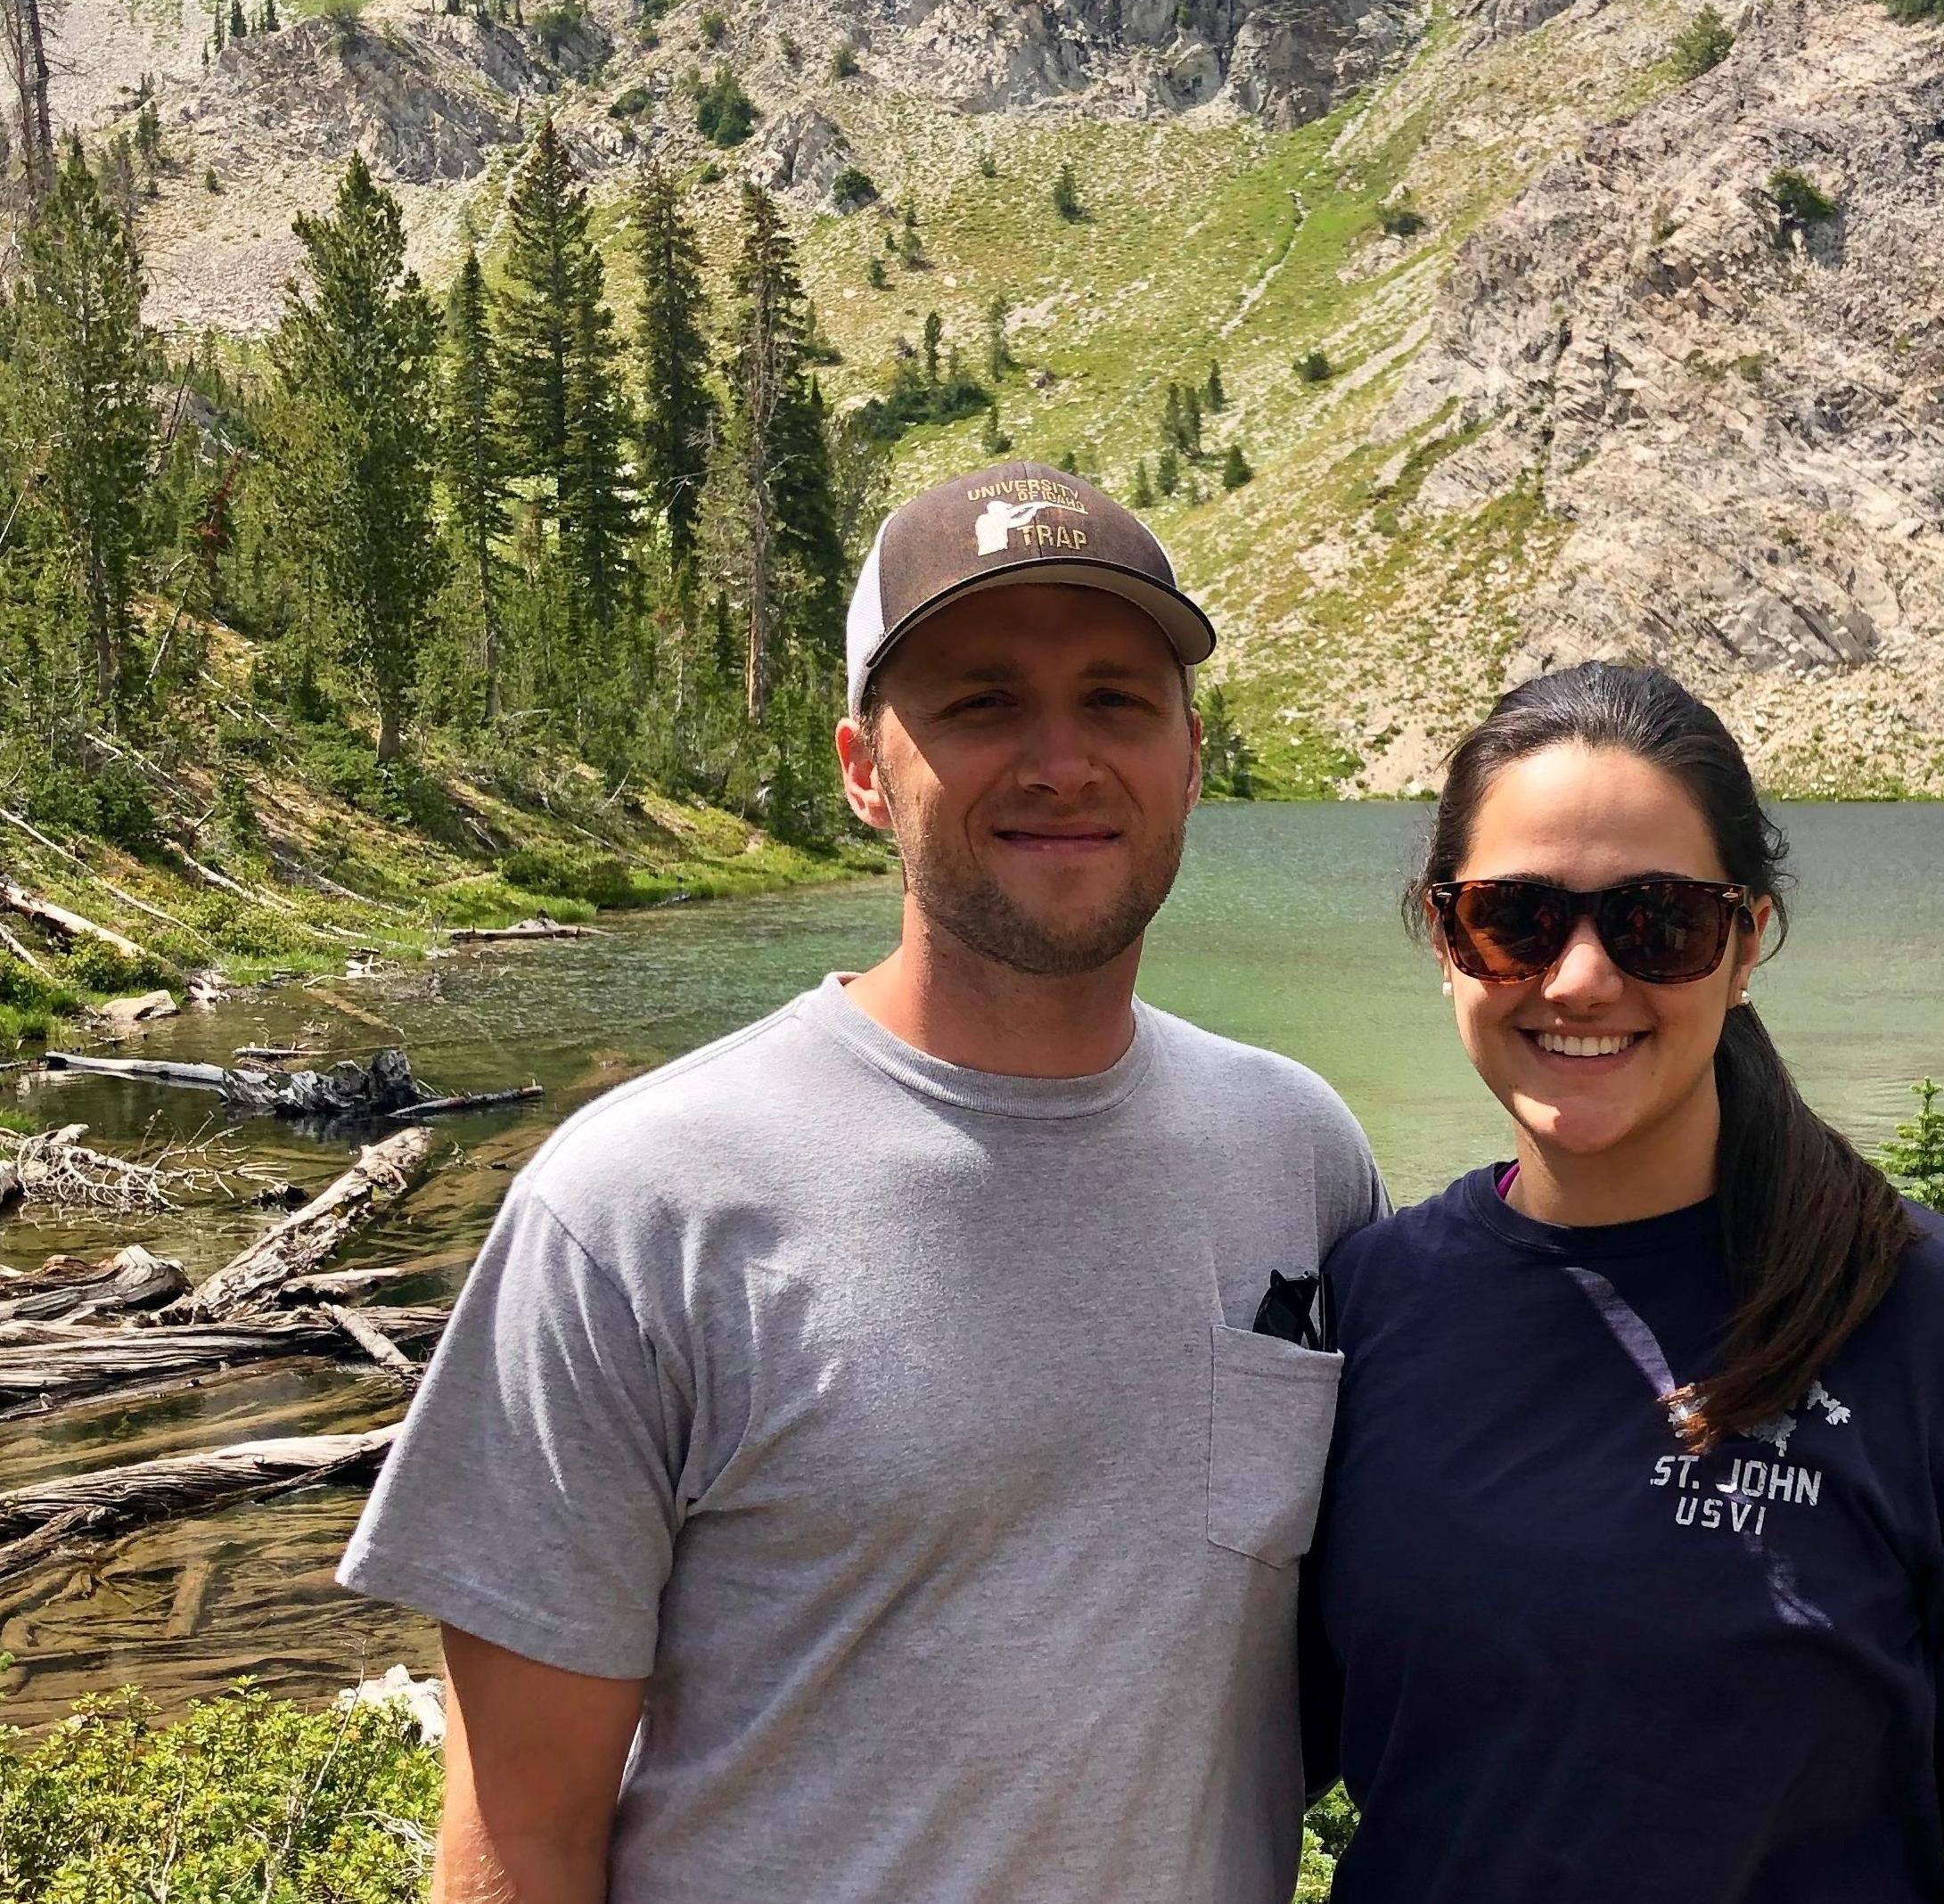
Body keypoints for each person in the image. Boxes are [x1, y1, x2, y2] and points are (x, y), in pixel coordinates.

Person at [340, 460, 1383, 1904]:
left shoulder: (1303, 1152)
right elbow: (521, 1834)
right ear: (860, 770)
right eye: (980, 703)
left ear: (1191, 759)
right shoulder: (639, 1205)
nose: (1062, 760)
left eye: (1115, 700)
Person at [1306, 662, 1944, 1902]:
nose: (1581, 979)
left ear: (1746, 944)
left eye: (1661, 923)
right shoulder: (1371, 1302)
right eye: (1516, 919)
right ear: (1444, 938)